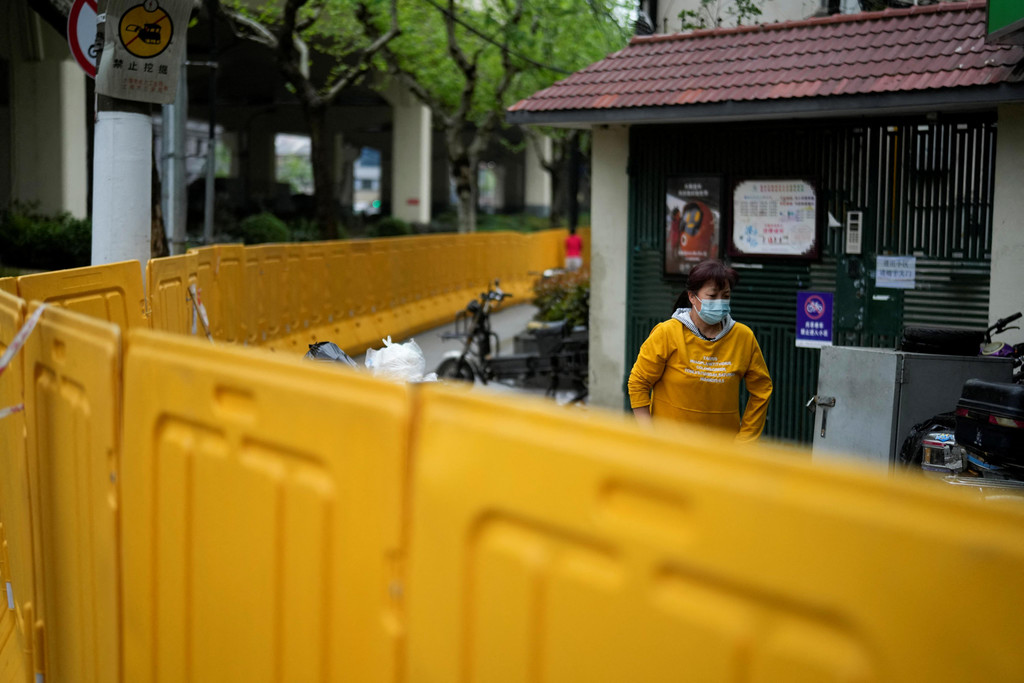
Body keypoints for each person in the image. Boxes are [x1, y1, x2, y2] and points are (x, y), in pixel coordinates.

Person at [627, 259, 773, 442]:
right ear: (692, 297)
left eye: (726, 296)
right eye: (712, 296)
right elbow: (638, 382)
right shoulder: (667, 333)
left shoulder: (743, 337)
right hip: (670, 447)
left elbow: (761, 390)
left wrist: (745, 441)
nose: (720, 302)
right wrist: (650, 436)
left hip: (722, 450)